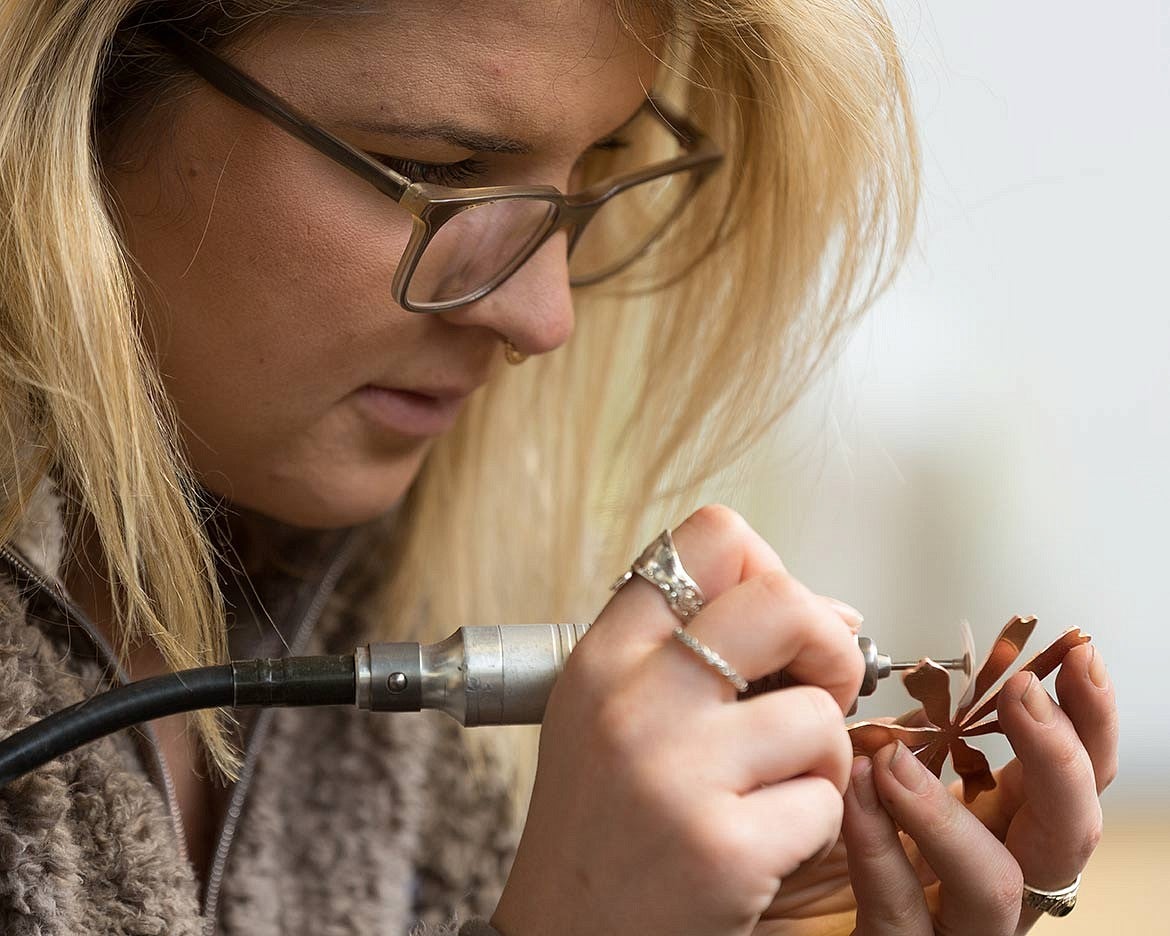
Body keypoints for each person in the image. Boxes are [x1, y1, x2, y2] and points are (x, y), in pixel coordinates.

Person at [0, 1, 1118, 934]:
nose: (544, 317)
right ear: (78, 93)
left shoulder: (401, 744)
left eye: (593, 179)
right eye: (439, 168)